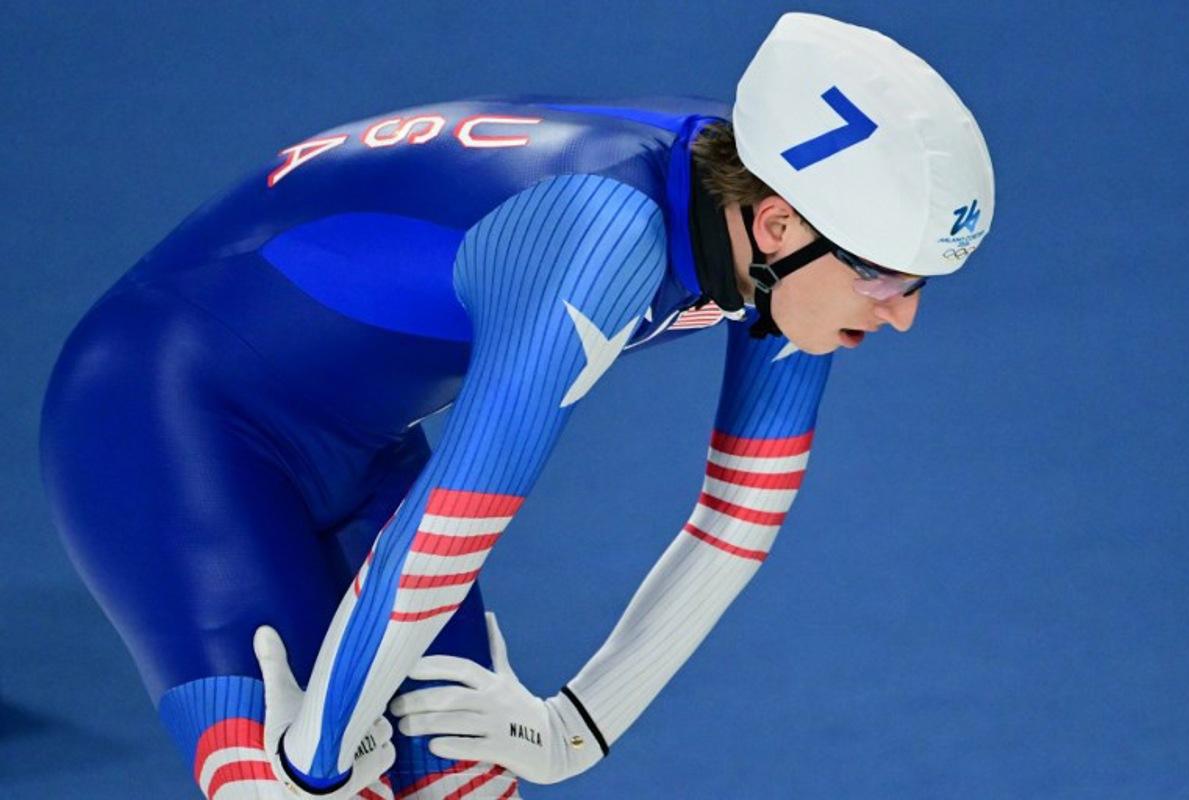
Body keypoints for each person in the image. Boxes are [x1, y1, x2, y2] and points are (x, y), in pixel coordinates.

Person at [39, 12, 992, 799]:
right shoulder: (603, 234)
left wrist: (580, 725)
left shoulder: (772, 220)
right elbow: (457, 514)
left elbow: (740, 516)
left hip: (358, 441)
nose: (901, 317)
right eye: (883, 279)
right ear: (780, 224)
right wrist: (315, 762)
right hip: (161, 421)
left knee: (465, 780)